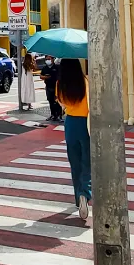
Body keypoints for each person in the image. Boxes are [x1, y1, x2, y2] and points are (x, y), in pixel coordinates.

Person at [56, 59, 91, 220]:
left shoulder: (60, 84)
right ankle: (85, 192)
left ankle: (78, 198)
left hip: (70, 123)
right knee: (87, 162)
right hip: (86, 123)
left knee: (74, 162)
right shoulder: (85, 81)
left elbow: (61, 103)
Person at [41, 56, 62, 122]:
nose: (48, 60)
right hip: (48, 87)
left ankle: (59, 115)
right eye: (46, 59)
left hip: (56, 87)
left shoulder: (57, 67)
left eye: (49, 59)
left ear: (53, 59)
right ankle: (53, 115)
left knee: (57, 102)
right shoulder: (45, 68)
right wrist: (45, 77)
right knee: (51, 101)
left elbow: (60, 76)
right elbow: (41, 76)